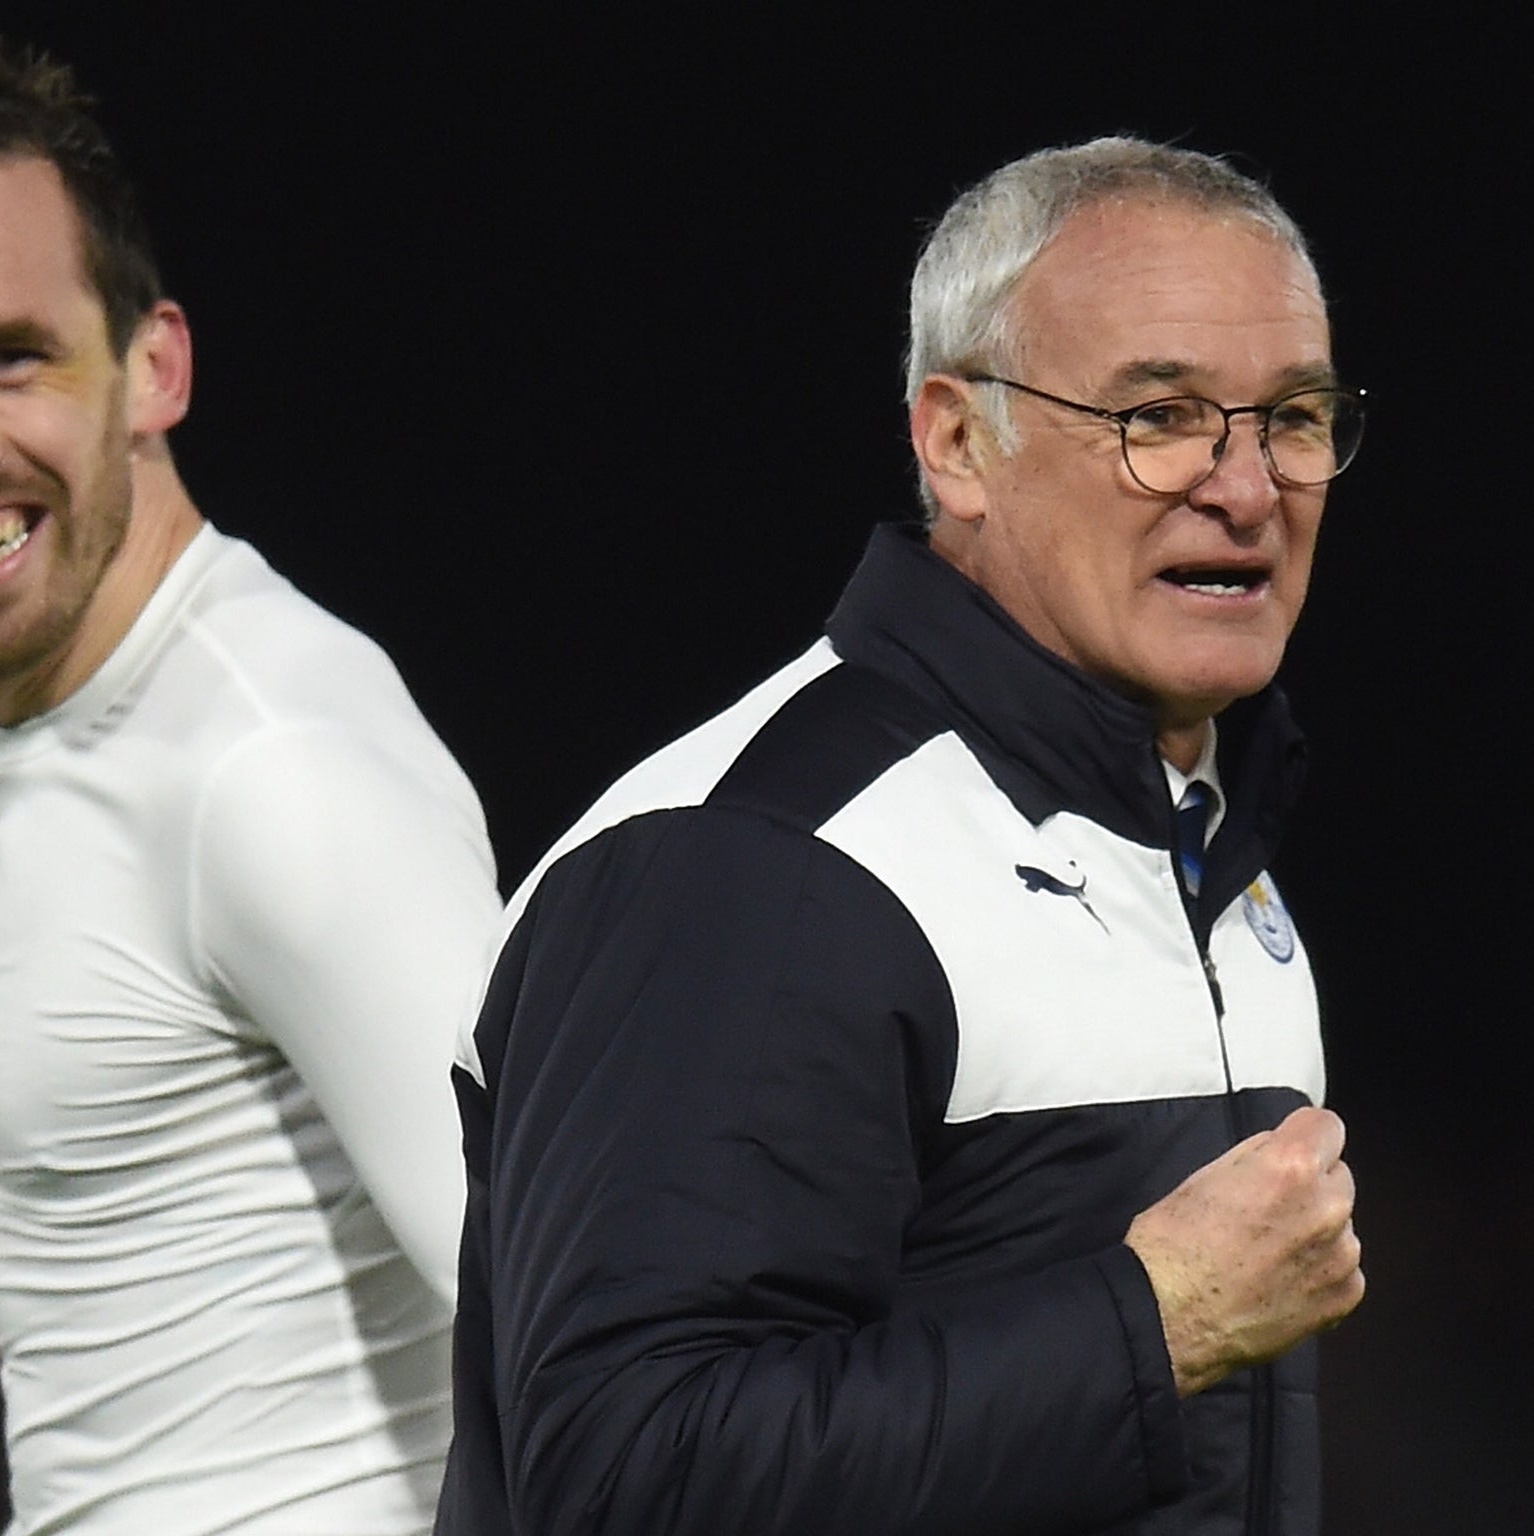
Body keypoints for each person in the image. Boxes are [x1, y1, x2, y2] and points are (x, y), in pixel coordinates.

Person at [440, 137, 1368, 1535]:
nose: (1245, 489)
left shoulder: (1205, 847)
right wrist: (1153, 1323)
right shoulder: (749, 866)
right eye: (1160, 416)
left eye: (1291, 417)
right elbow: (629, 1478)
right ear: (957, 442)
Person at [0, 33, 500, 1535]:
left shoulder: (266, 767)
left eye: (9, 355)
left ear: (155, 366)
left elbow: (603, 1352)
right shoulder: (95, 740)